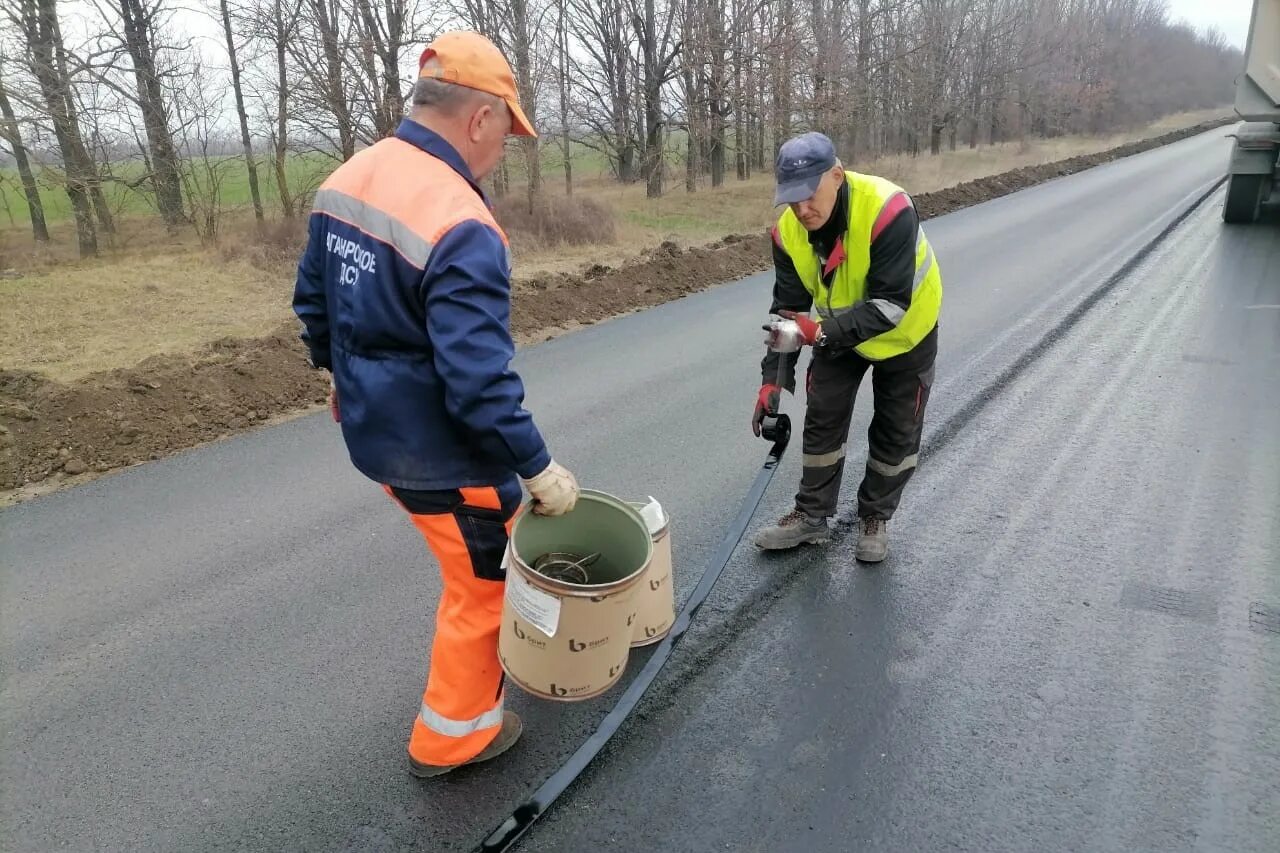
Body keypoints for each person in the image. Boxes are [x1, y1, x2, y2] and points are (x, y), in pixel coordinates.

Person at [291, 31, 579, 778]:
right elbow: (478, 382)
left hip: (373, 435)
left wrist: (337, 378)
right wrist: (537, 466)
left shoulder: (350, 178)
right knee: (487, 582)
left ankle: (503, 671)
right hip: (442, 453)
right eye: (506, 135)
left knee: (474, 564)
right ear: (479, 119)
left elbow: (313, 304)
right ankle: (452, 737)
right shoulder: (462, 222)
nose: (502, 151)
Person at [752, 132, 941, 563]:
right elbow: (788, 312)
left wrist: (817, 333)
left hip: (905, 332)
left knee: (896, 431)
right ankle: (812, 516)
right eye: (791, 200)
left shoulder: (888, 210)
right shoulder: (788, 233)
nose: (802, 210)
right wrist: (772, 381)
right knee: (823, 417)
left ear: (836, 176)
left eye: (809, 195)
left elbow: (891, 304)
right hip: (837, 332)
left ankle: (875, 516)